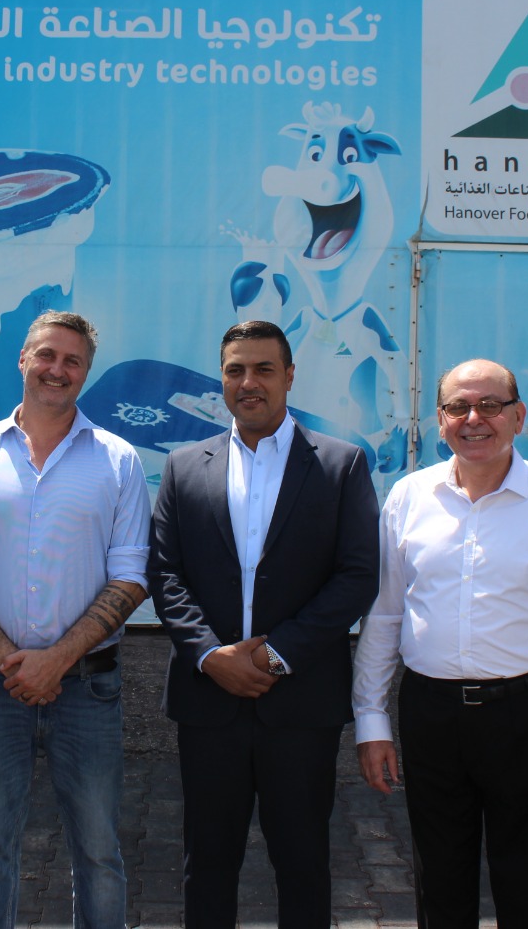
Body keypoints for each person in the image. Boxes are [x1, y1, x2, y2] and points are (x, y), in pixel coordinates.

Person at [352, 358, 528, 927]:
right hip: (432, 716)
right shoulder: (408, 497)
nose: (474, 419)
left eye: (490, 405)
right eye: (458, 407)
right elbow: (386, 614)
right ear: (440, 419)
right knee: (440, 889)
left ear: (518, 416)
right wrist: (371, 721)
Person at [149, 319, 379, 928]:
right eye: (235, 370)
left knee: (303, 865)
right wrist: (210, 656)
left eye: (263, 369)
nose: (248, 382)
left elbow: (357, 576)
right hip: (209, 703)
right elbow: (166, 574)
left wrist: (276, 655)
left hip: (300, 704)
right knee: (207, 863)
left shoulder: (341, 464)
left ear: (290, 376)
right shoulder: (183, 466)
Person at [0, 311, 151, 929]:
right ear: (23, 360)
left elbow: (131, 576)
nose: (58, 369)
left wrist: (55, 661)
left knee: (99, 852)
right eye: (47, 355)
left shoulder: (118, 460)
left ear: (85, 372)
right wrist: (13, 661)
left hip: (88, 686)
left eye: (72, 360)